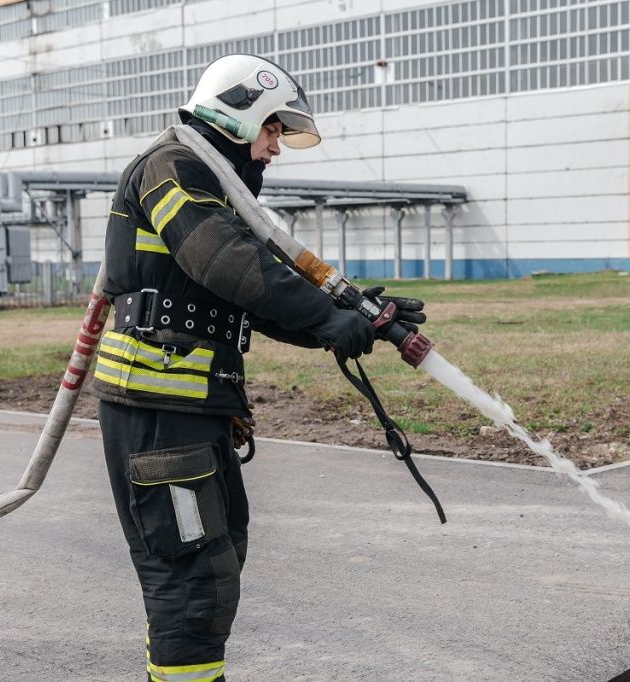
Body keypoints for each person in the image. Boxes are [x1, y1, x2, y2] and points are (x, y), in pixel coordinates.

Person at [92, 54, 425, 682]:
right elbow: (222, 259)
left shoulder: (211, 180)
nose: (274, 149)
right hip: (159, 411)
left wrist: (354, 317)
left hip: (193, 412)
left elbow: (245, 294)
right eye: (272, 129)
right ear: (240, 113)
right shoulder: (172, 168)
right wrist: (325, 318)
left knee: (213, 562)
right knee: (192, 579)